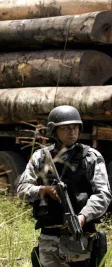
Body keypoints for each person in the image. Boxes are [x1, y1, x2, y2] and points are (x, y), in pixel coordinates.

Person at [17, 105, 111, 266]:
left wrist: (83, 216)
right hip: (49, 239)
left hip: (80, 239)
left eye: (75, 127)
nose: (72, 132)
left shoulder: (90, 157)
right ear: (54, 131)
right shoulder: (40, 157)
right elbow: (22, 190)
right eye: (66, 128)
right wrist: (43, 190)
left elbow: (103, 194)